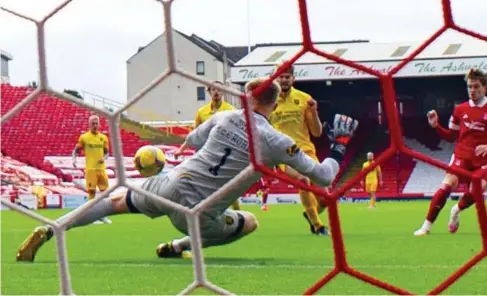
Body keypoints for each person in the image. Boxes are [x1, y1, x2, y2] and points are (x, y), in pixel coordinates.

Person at [15, 78, 358, 262]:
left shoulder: (223, 116)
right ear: (273, 103)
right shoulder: (276, 141)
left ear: (247, 98)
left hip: (170, 184)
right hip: (198, 212)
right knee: (250, 222)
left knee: (116, 201)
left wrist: (174, 150)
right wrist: (340, 145)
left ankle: (52, 230)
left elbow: (192, 141)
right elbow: (324, 176)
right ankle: (179, 246)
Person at [414, 69, 487, 236]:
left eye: (476, 87)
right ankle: (426, 227)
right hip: (461, 156)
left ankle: (455, 210)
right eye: (469, 87)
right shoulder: (460, 110)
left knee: (477, 190)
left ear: (485, 88)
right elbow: (450, 136)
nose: (472, 91)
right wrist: (436, 127)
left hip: (482, 161)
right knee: (446, 186)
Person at [270, 64, 329, 236]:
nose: (284, 80)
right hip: (282, 153)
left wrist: (314, 112)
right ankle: (318, 226)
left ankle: (311, 214)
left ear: (293, 78)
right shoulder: (268, 100)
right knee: (303, 179)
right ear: (276, 78)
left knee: (325, 199)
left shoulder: (304, 99)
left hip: (306, 152)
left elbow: (317, 132)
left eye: (287, 76)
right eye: (280, 76)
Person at [174, 81, 238, 208]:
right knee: (198, 181)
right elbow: (196, 134)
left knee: (228, 183)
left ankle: (238, 211)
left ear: (223, 91)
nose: (216, 92)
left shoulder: (231, 111)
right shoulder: (201, 112)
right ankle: (198, 209)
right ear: (209, 92)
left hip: (224, 153)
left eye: (219, 89)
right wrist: (181, 149)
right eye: (213, 89)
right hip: (206, 152)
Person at [73, 115, 112, 224]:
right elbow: (76, 150)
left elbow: (107, 153)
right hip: (90, 169)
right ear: (89, 124)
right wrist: (74, 159)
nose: (95, 125)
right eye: (93, 123)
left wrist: (103, 159)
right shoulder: (84, 137)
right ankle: (91, 217)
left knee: (105, 192)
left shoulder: (103, 138)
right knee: (92, 192)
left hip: (101, 169)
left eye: (96, 123)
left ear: (99, 124)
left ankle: (102, 215)